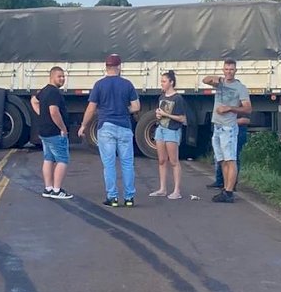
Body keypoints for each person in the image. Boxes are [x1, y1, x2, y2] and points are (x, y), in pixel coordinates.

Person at [78, 54, 140, 207]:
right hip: (124, 126)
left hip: (106, 127)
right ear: (119, 67)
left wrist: (83, 126)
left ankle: (112, 198)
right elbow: (137, 107)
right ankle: (129, 198)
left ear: (106, 67)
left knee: (109, 164)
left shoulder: (99, 85)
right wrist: (125, 109)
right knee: (127, 163)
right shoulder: (127, 84)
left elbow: (91, 108)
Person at [202, 59, 252, 203]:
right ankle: (225, 188)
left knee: (231, 160)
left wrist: (230, 108)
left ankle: (230, 192)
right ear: (223, 70)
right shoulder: (220, 83)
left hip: (228, 127)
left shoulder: (240, 87)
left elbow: (248, 108)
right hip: (217, 126)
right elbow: (205, 80)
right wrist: (215, 79)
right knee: (222, 160)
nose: (229, 72)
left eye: (231, 69)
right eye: (226, 69)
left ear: (235, 71)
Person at [30, 66, 73, 200]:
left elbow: (34, 100)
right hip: (55, 132)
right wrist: (63, 128)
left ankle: (48, 188)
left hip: (44, 131)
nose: (62, 79)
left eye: (63, 76)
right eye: (59, 76)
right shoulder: (54, 92)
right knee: (62, 160)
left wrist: (41, 114)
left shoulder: (43, 91)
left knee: (48, 159)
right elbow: (54, 112)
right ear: (52, 76)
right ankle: (56, 190)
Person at [149, 70, 187, 200]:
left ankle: (177, 190)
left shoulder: (178, 98)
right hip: (161, 128)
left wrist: (166, 115)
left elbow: (182, 118)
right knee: (161, 160)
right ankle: (162, 188)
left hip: (172, 130)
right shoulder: (162, 97)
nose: (162, 84)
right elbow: (161, 114)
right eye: (161, 81)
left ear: (171, 82)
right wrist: (159, 114)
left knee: (174, 161)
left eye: (164, 81)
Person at [208, 115, 249, 190]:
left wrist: (227, 122)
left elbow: (245, 120)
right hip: (224, 129)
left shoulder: (237, 105)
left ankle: (231, 185)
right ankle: (221, 181)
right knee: (222, 158)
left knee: (232, 158)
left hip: (235, 130)